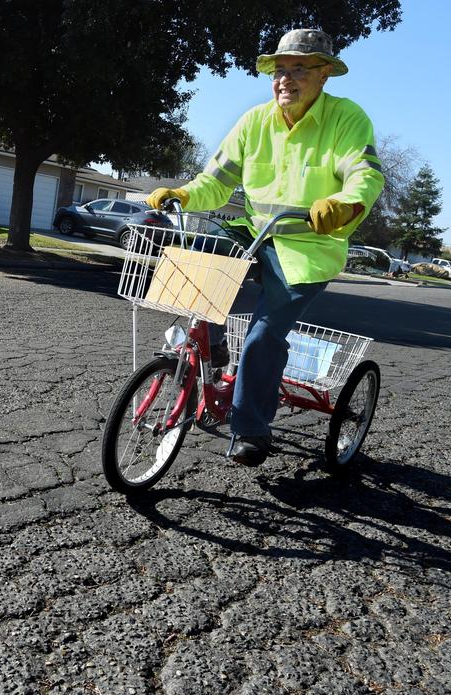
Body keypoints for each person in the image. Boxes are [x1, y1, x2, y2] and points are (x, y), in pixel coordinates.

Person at [147, 28, 384, 467]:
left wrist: (344, 204)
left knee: (262, 335)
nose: (284, 79)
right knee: (202, 252)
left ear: (325, 74)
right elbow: (215, 182)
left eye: (298, 68)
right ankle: (210, 342)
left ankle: (251, 428)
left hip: (308, 247)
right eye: (279, 70)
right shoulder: (255, 121)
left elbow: (364, 175)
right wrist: (181, 194)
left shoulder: (347, 118)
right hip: (255, 231)